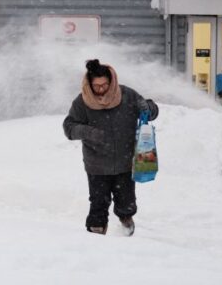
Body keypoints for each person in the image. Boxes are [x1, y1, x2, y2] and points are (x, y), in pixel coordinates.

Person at [63, 59, 159, 236]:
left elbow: (152, 113)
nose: (101, 89)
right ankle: (96, 234)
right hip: (97, 164)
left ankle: (126, 224)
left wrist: (149, 107)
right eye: (96, 86)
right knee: (98, 202)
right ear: (89, 84)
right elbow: (68, 128)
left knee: (126, 202)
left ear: (111, 81)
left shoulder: (127, 95)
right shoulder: (82, 102)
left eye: (105, 85)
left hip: (125, 161)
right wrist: (89, 132)